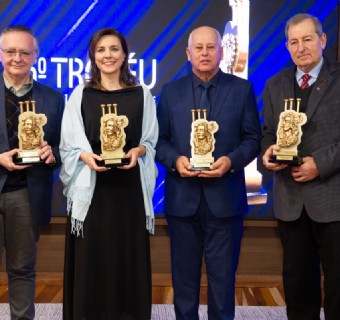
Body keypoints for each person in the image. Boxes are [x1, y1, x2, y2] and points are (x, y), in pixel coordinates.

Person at [156, 26, 261, 320]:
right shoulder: (170, 91)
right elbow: (158, 142)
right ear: (188, 54)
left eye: (210, 47)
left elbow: (253, 139)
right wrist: (175, 160)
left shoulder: (242, 90)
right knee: (184, 281)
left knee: (223, 280)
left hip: (225, 201)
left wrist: (230, 161)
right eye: (198, 48)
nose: (205, 53)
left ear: (221, 52)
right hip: (182, 201)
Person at [59, 27, 158, 320]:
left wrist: (137, 152)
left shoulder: (142, 94)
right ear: (93, 55)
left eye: (114, 49)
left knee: (126, 262)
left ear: (125, 54)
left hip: (128, 195)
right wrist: (83, 157)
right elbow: (67, 146)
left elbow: (151, 141)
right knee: (93, 263)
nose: (108, 55)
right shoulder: (81, 94)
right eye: (101, 50)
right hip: (92, 197)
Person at [262, 13, 340, 320]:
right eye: (294, 42)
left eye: (307, 39)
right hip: (291, 202)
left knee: (337, 284)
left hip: (333, 200)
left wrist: (319, 164)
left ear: (322, 40)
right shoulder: (274, 84)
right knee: (297, 284)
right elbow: (268, 132)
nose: (301, 47)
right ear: (287, 46)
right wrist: (268, 153)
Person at [0, 25, 64, 319]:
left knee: (22, 268)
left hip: (26, 194)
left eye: (24, 52)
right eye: (10, 51)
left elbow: (66, 150)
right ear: (1, 54)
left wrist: (52, 156)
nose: (17, 58)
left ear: (36, 55)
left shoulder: (53, 99)